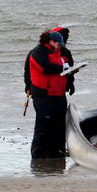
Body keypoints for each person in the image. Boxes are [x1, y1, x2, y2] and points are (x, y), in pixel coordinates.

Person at [24, 29, 74, 158]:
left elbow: (69, 69)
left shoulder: (63, 52)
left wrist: (70, 82)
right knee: (44, 125)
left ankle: (58, 151)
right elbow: (44, 67)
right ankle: (38, 154)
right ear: (51, 41)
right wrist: (27, 87)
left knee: (59, 124)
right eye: (59, 42)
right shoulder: (37, 52)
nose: (61, 45)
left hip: (59, 93)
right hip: (43, 94)